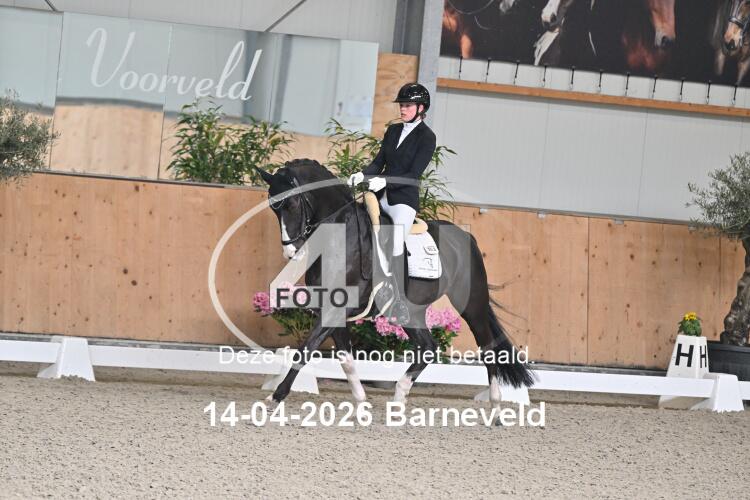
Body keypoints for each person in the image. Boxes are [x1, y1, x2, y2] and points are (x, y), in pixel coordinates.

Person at [347, 82, 437, 324]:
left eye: (407, 105)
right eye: (402, 105)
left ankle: (399, 300)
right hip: (379, 195)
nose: (402, 109)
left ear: (421, 108)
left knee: (396, 239)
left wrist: (385, 181)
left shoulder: (427, 137)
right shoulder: (393, 130)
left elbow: (413, 174)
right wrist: (362, 175)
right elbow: (379, 162)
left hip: (403, 201)